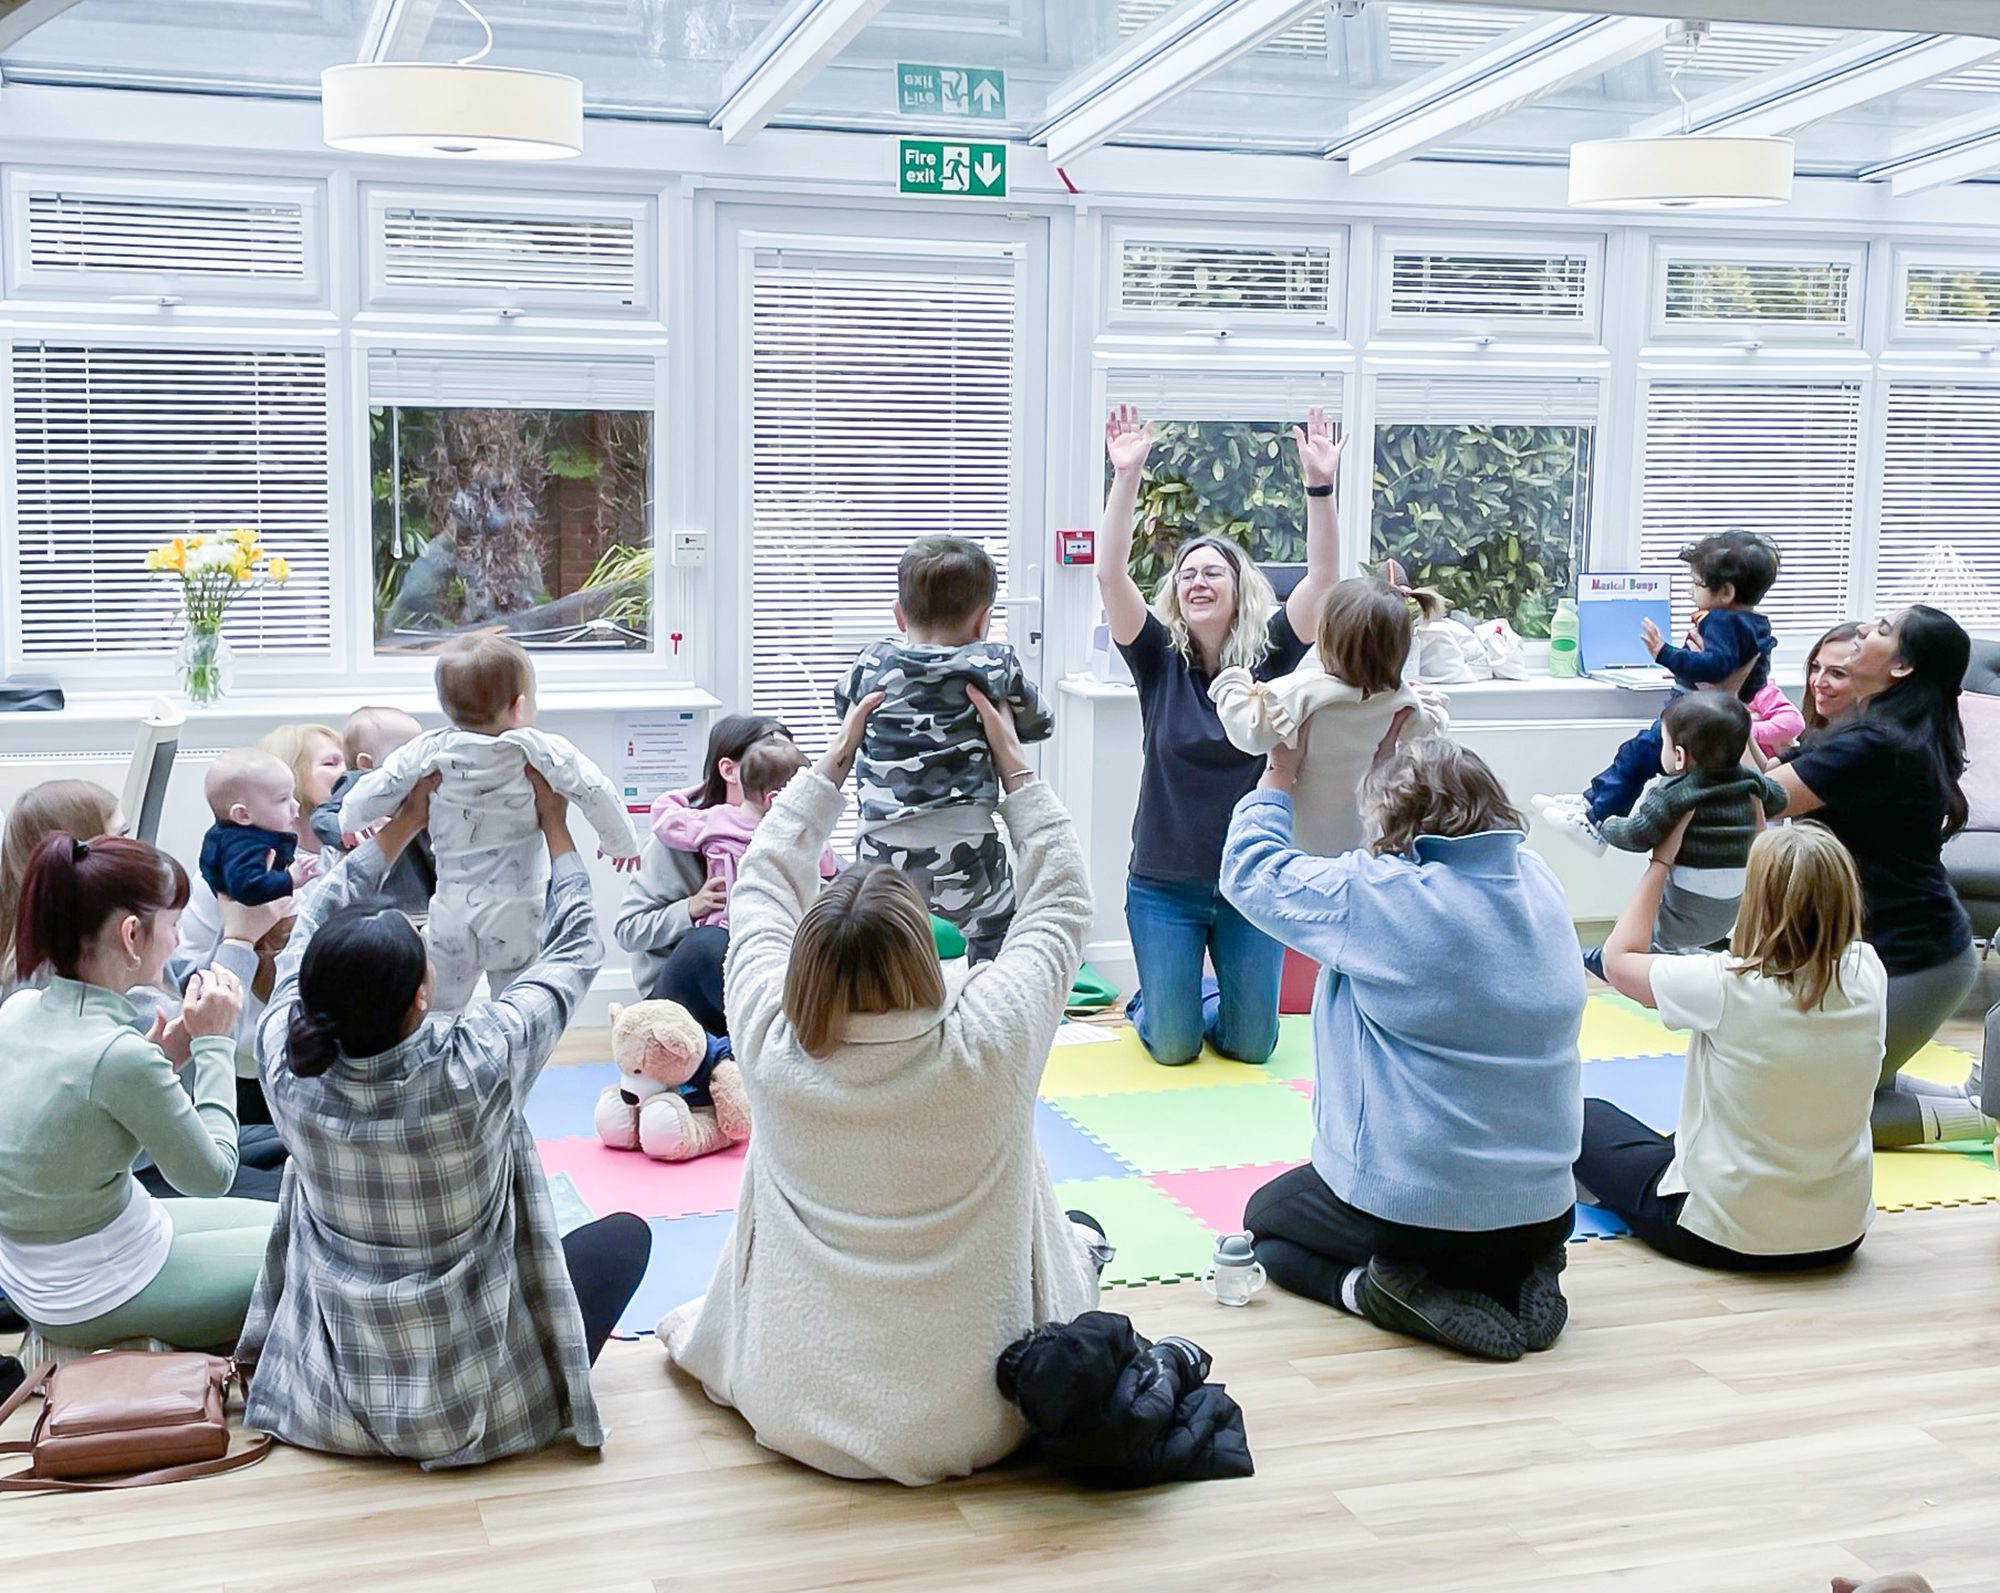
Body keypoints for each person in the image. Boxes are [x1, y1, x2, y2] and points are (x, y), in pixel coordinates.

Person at [661, 689, 1105, 1486]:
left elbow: (761, 884)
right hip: (985, 1413)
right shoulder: (991, 1035)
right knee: (1078, 1225)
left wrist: (827, 768)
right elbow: (1064, 898)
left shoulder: (768, 1035)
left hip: (791, 1400)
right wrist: (1015, 770)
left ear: (804, 964)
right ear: (926, 962)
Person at [239, 768, 651, 1469]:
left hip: (331, 1397)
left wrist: (399, 825)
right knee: (627, 1237)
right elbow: (577, 948)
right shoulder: (480, 1058)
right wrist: (556, 826)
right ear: (419, 1000)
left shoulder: (284, 1059)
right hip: (474, 1404)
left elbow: (309, 923)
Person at [1222, 735, 1583, 1361]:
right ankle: (1527, 1273)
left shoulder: (1382, 896)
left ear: (1397, 823)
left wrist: (1279, 775)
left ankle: (1377, 1293)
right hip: (1549, 1210)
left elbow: (1250, 869)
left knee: (1269, 1226)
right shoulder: (1539, 880)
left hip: (1423, 1217)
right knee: (1496, 1220)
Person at [1096, 403, 1347, 1066]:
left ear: (1241, 588)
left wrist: (1320, 487)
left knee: (1252, 1045)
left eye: (1214, 570)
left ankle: (1194, 993)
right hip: (1164, 884)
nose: (1198, 579)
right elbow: (1109, 574)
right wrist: (1126, 477)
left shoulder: (1272, 658)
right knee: (1174, 1045)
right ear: (1175, 595)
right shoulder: (1156, 659)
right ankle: (1160, 998)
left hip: (1250, 882)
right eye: (1186, 573)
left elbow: (1323, 580)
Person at [0, 833, 271, 1350]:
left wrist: (165, 1061)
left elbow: (75, 1131)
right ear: (131, 935)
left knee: (297, 1222)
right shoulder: (116, 1055)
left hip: (59, 1265)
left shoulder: (19, 1009)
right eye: (171, 926)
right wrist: (215, 1043)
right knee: (319, 1259)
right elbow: (212, 1176)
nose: (175, 942)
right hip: (93, 1290)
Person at [1582, 820, 1883, 1271]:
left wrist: (1661, 861)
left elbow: (1616, 959)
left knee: (1585, 1115)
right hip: (1840, 1235)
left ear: (1756, 899)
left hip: (1722, 1234)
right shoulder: (1868, 973)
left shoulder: (1723, 986)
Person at [0, 778, 291, 1202]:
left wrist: (168, 1054)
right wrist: (213, 1034)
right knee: (300, 1196)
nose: (135, 845)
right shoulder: (101, 999)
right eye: (120, 835)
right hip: (146, 1176)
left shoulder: (36, 990)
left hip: (142, 1159)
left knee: (294, 1149)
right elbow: (210, 1171)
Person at [1766, 605, 1990, 1145]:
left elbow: (1763, 800)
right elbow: (1771, 785)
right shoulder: (1881, 730)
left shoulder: (1875, 745)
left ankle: (1986, 1120)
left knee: (1814, 1118)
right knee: (1844, 1087)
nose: (1865, 631)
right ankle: (1980, 1103)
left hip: (1916, 962)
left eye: (1882, 630)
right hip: (1892, 952)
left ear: (1903, 668)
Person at [339, 634, 641, 1012]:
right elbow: (594, 790)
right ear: (519, 706)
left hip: (452, 908)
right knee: (516, 1008)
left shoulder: (431, 748)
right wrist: (620, 843)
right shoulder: (538, 748)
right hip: (516, 913)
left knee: (438, 1007)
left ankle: (439, 1063)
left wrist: (350, 819)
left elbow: (379, 785)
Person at [837, 536, 1055, 963]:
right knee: (998, 930)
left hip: (880, 846)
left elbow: (848, 711)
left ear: (900, 617)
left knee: (879, 940)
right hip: (966, 843)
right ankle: (988, 1003)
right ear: (983, 622)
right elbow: (1039, 723)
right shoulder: (993, 663)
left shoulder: (872, 662)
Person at [1540, 531, 1779, 849]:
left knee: (1637, 754)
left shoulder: (1724, 622)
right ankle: (1593, 802)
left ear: (1725, 592)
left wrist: (1664, 653)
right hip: (1703, 711)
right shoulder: (1755, 624)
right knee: (1636, 754)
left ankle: (1597, 817)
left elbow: (1714, 667)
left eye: (1697, 584)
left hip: (1693, 714)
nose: (1692, 591)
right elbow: (1746, 675)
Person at [1209, 573, 1448, 857]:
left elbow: (1249, 734)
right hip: (1364, 841)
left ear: (1326, 638)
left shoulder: (1304, 692)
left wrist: (1231, 683)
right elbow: (1423, 727)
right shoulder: (1400, 700)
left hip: (1300, 845)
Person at [1580, 693, 1787, 976]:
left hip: (1689, 899)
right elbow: (1780, 799)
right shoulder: (1751, 781)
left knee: (1647, 925)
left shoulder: (1673, 794)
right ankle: (1706, 948)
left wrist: (1606, 824)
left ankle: (1608, 958)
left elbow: (1638, 836)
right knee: (1692, 925)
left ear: (1678, 756)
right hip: (1735, 901)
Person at [614, 713, 795, 1034]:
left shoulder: (787, 834)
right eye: (769, 767)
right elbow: (628, 930)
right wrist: (690, 909)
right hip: (681, 1001)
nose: (782, 785)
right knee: (710, 943)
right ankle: (773, 1048)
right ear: (729, 770)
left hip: (760, 980)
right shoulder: (677, 838)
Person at [650, 736, 837, 930]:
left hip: (723, 924)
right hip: (778, 925)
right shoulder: (793, 834)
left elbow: (664, 815)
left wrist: (699, 789)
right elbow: (828, 867)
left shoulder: (715, 821)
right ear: (773, 799)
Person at [310, 705, 437, 917]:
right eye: (404, 754)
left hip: (426, 895)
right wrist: (346, 831)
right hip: (381, 903)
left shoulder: (418, 786)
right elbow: (321, 818)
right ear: (366, 764)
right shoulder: (359, 784)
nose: (415, 761)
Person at [198, 747, 313, 907]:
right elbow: (248, 887)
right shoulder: (242, 846)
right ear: (243, 815)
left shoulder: (251, 833)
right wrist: (290, 879)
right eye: (282, 799)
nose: (296, 805)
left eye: (292, 795)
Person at [259, 721, 346, 872]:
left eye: (349, 764)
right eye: (331, 763)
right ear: (291, 774)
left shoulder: (335, 850)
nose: (348, 772)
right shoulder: (268, 863)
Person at [1800, 621, 1865, 739]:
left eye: (1837, 673)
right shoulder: (1813, 733)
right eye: (1815, 667)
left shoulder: (1861, 746)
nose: (1818, 683)